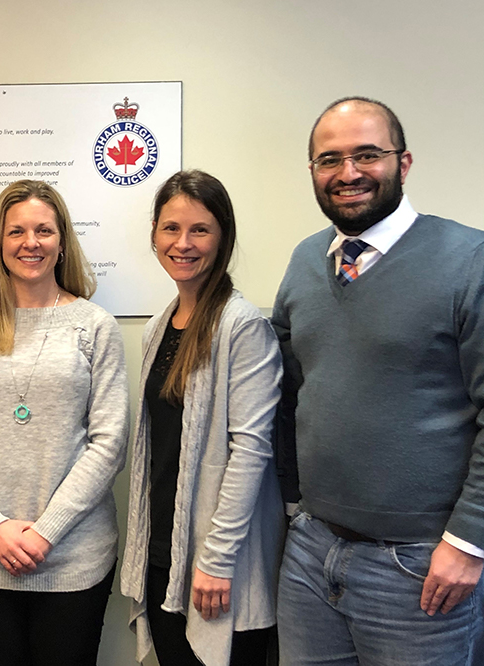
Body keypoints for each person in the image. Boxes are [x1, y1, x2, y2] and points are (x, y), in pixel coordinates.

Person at [272, 97, 484, 664]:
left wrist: (469, 543)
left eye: (368, 154)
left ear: (404, 163)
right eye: (329, 159)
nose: (348, 173)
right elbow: (289, 396)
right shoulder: (304, 261)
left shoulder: (470, 261)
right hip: (312, 551)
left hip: (420, 565)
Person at [0, 179, 129, 666]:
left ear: (62, 241)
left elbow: (109, 441)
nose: (31, 243)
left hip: (74, 557)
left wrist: (46, 532)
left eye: (44, 230)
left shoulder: (95, 326)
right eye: (16, 231)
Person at [118, 171, 283, 666]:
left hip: (218, 565)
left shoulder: (244, 327)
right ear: (154, 233)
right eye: (171, 229)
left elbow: (251, 451)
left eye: (200, 230)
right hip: (164, 554)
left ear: (223, 237)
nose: (183, 244)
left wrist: (216, 560)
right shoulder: (157, 328)